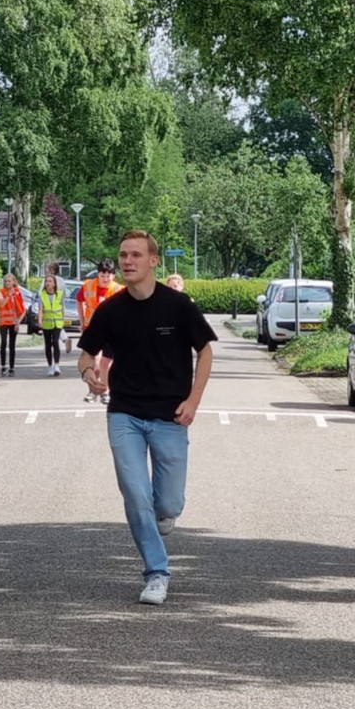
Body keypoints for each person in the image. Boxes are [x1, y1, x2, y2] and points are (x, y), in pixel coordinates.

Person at [77, 231, 215, 606]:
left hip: (170, 415)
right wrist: (89, 375)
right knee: (135, 493)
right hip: (124, 413)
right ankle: (156, 573)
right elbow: (85, 356)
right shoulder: (111, 310)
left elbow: (205, 352)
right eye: (123, 254)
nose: (127, 261)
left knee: (167, 505)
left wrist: (194, 400)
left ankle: (163, 516)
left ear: (153, 260)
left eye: (136, 254)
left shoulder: (178, 305)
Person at [78, 259, 122, 404]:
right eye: (102, 275)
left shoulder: (119, 290)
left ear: (113, 276)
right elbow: (79, 300)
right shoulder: (88, 286)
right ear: (98, 274)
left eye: (108, 276)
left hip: (112, 331)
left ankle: (105, 390)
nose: (105, 279)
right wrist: (81, 320)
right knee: (94, 361)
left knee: (106, 363)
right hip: (93, 329)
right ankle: (93, 389)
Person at [0, 273, 27, 376]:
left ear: (13, 282)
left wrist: (18, 322)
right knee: (3, 342)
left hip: (13, 322)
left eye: (9, 281)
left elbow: (22, 310)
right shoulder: (1, 292)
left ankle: (12, 368)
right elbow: (1, 304)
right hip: (3, 321)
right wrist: (9, 295)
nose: (7, 283)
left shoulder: (17, 293)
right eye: (5, 281)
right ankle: (3, 366)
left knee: (12, 345)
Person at [36, 274, 66, 376]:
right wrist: (39, 321)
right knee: (48, 345)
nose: (47, 283)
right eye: (46, 281)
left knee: (56, 342)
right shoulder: (42, 295)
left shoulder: (59, 294)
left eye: (50, 281)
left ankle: (57, 365)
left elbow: (62, 308)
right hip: (47, 323)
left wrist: (63, 319)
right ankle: (50, 366)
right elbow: (40, 309)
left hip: (57, 322)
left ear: (54, 284)